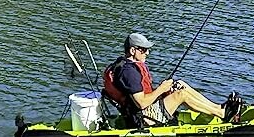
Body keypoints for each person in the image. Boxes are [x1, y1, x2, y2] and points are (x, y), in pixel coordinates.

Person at [103, 32, 243, 128]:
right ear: (133, 51)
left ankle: (218, 108)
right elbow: (141, 103)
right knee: (181, 94)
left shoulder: (127, 66)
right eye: (144, 50)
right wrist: (161, 89)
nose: (148, 53)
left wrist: (165, 90)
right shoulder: (129, 72)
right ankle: (222, 114)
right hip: (143, 118)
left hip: (143, 110)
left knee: (180, 85)